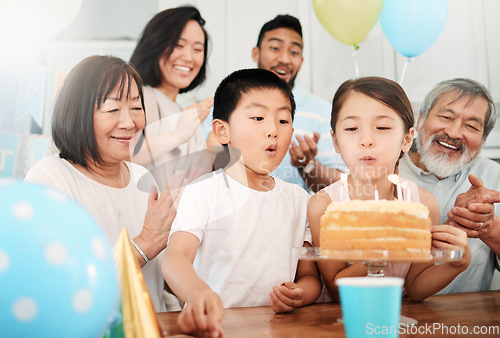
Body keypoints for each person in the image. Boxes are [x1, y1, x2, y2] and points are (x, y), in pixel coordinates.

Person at [162, 69, 322, 336]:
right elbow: (175, 260)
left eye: (283, 121)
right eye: (258, 118)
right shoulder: (204, 192)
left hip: (275, 328)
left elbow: (309, 277)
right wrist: (199, 293)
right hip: (215, 327)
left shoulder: (298, 200)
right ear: (222, 131)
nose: (272, 130)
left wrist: (300, 294)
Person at [25, 55, 176, 312]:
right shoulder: (50, 179)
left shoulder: (142, 177)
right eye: (113, 109)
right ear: (78, 114)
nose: (129, 122)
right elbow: (65, 290)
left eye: (136, 107)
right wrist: (146, 242)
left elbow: (162, 281)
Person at [308, 77, 471, 302]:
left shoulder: (422, 206)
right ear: (335, 140)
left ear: (407, 139)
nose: (366, 140)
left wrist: (457, 264)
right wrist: (381, 249)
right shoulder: (324, 206)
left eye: (382, 127)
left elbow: (414, 287)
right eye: (352, 128)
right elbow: (337, 291)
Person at [399, 78, 500, 293]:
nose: (454, 133)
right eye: (446, 117)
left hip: (469, 320)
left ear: (483, 139)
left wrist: (489, 227)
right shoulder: (388, 171)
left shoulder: (494, 176)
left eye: (471, 126)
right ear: (420, 120)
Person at [130, 5, 214, 192]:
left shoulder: (183, 111)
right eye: (178, 45)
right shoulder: (136, 96)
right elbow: (120, 156)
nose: (188, 57)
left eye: (198, 49)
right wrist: (176, 136)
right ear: (156, 44)